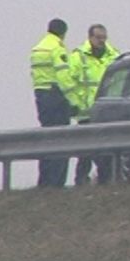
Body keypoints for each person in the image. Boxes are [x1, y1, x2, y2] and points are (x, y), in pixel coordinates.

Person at [68, 24, 120, 185]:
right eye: (98, 38)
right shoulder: (78, 56)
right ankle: (81, 180)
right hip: (86, 112)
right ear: (90, 37)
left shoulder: (114, 55)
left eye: (104, 38)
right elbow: (69, 83)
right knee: (85, 151)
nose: (101, 41)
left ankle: (106, 180)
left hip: (107, 112)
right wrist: (76, 104)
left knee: (106, 150)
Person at [29, 18, 78, 187]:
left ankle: (44, 182)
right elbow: (63, 77)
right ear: (63, 33)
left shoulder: (38, 48)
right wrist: (74, 102)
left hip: (41, 96)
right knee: (61, 140)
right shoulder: (57, 48)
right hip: (56, 97)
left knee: (46, 139)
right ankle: (56, 182)